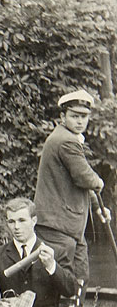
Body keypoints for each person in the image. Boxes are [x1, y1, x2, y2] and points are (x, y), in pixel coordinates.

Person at [34, 89, 110, 284]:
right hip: (58, 224)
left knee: (79, 276)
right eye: (74, 116)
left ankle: (75, 304)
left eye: (83, 117)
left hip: (63, 223)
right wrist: (99, 182)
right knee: (68, 279)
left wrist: (97, 208)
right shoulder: (66, 141)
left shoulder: (66, 137)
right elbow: (85, 178)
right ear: (62, 117)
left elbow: (78, 182)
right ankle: (70, 304)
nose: (79, 121)